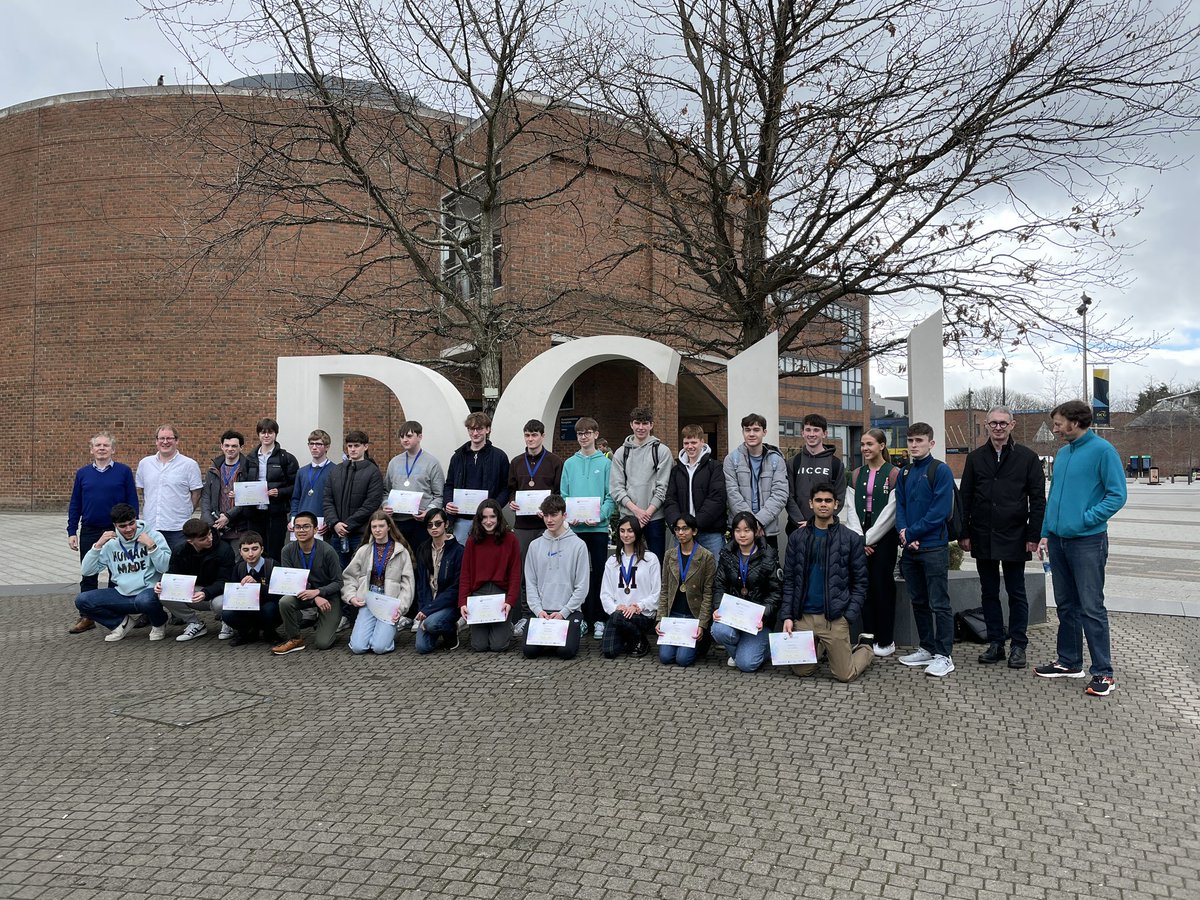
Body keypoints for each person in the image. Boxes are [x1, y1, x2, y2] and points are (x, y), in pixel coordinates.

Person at [1034, 400, 1127, 697]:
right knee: (1066, 605)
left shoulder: (1103, 451)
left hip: (1088, 541)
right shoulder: (1062, 454)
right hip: (1059, 541)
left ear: (1076, 422)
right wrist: (1046, 533)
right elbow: (1054, 497)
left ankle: (1104, 672)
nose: (1055, 428)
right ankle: (1070, 662)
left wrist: (1086, 519)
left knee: (1091, 607)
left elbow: (1117, 495)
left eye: (1059, 423)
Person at [959, 406, 1046, 669]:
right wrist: (964, 532)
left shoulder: (1028, 458)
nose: (998, 427)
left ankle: (1018, 645)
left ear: (1012, 425)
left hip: (1015, 535)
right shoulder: (975, 458)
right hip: (983, 535)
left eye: (1003, 423)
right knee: (988, 592)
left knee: (1016, 591)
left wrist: (1034, 535)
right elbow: (965, 497)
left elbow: (1038, 500)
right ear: (986, 425)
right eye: (993, 423)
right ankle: (996, 642)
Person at [780, 484, 873, 683]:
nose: (824, 505)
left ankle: (865, 648)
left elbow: (861, 583)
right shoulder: (797, 538)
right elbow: (789, 581)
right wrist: (787, 616)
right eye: (819, 500)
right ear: (811, 504)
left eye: (828, 501)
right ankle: (821, 645)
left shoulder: (850, 539)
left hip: (834, 618)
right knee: (801, 671)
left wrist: (848, 616)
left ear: (836, 504)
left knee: (844, 675)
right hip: (803, 617)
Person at [894, 422, 957, 678]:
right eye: (910, 441)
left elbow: (939, 511)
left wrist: (912, 533)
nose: (913, 445)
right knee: (918, 601)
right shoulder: (905, 472)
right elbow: (900, 507)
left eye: (919, 441)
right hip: (910, 548)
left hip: (933, 548)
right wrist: (904, 533)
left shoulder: (940, 470)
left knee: (939, 603)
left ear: (931, 443)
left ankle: (944, 655)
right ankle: (927, 648)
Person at [66, 431, 138, 634]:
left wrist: (132, 527)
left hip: (117, 530)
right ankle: (87, 616)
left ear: (112, 449)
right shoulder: (83, 473)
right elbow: (75, 503)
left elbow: (132, 501)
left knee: (118, 573)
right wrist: (72, 530)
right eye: (98, 445)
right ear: (92, 450)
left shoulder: (123, 471)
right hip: (90, 530)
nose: (102, 448)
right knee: (88, 573)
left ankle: (117, 614)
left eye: (106, 445)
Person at [841, 428, 901, 657]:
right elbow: (851, 508)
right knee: (863, 589)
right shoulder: (855, 474)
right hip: (860, 539)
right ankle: (868, 638)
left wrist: (869, 539)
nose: (865, 448)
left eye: (870, 444)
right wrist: (859, 539)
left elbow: (891, 511)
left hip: (884, 538)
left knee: (882, 587)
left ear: (882, 445)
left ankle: (886, 640)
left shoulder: (894, 474)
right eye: (863, 445)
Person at [74, 502, 172, 642]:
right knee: (82, 600)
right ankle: (120, 624)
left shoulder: (153, 536)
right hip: (121, 593)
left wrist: (151, 546)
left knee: (145, 600)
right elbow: (87, 571)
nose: (128, 529)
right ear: (115, 525)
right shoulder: (111, 544)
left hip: (148, 591)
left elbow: (165, 568)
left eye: (131, 523)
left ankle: (159, 623)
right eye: (122, 526)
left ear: (136, 520)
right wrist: (97, 546)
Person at [507, 419, 564, 636]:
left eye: (534, 435)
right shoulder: (516, 462)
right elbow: (511, 489)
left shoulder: (554, 461)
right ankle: (524, 615)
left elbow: (558, 493)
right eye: (527, 435)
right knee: (523, 571)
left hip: (546, 526)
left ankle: (550, 613)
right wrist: (512, 501)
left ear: (542, 435)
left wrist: (549, 510)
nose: (531, 439)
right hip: (522, 525)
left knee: (548, 569)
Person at [559, 416, 615, 641]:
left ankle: (600, 618)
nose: (584, 437)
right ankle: (579, 618)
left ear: (596, 434)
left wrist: (600, 516)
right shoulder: (569, 464)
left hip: (598, 530)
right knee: (576, 577)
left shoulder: (606, 464)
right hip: (575, 531)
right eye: (580, 434)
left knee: (600, 574)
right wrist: (568, 517)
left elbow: (611, 497)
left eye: (588, 433)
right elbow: (563, 495)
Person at [711, 511, 782, 673]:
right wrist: (717, 607)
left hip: (758, 623)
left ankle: (763, 650)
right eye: (738, 530)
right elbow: (719, 585)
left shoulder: (768, 556)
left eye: (747, 530)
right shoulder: (727, 554)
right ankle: (743, 649)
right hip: (734, 617)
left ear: (756, 532)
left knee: (746, 665)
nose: (742, 535)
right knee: (718, 630)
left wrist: (762, 616)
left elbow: (776, 593)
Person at [521, 495, 589, 660]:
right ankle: (550, 637)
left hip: (568, 612)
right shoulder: (535, 545)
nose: (549, 520)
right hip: (542, 612)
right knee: (529, 652)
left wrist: (564, 612)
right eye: (546, 515)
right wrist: (538, 611)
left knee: (565, 653)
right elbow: (530, 582)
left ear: (564, 515)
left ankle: (578, 626)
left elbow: (582, 586)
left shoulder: (579, 545)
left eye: (554, 515)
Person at [272, 511, 345, 654]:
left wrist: (319, 592)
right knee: (284, 602)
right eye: (298, 527)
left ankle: (328, 621)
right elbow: (291, 581)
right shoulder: (287, 550)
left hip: (328, 597)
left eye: (306, 526)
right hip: (303, 593)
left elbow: (338, 582)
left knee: (323, 644)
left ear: (316, 529)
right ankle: (295, 639)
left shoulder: (327, 550)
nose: (301, 530)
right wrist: (315, 596)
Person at [343, 510, 415, 655]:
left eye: (381, 526)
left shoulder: (401, 551)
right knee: (357, 648)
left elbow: (408, 584)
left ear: (389, 527)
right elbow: (349, 576)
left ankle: (386, 633)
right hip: (368, 598)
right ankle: (377, 632)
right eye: (374, 526)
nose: (377, 530)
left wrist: (400, 608)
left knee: (379, 648)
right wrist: (351, 597)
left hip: (390, 601)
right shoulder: (364, 550)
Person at [154, 518, 237, 643]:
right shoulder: (180, 550)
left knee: (219, 603)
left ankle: (228, 621)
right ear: (190, 541)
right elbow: (172, 573)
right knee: (163, 593)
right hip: (194, 591)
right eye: (203, 539)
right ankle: (195, 623)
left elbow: (225, 580)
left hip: (219, 592)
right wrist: (162, 583)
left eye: (209, 534)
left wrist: (206, 592)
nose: (210, 539)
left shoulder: (224, 549)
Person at [609, 406, 673, 562]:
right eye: (637, 423)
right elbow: (616, 488)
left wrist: (647, 513)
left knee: (656, 563)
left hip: (655, 518)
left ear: (651, 425)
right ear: (631, 424)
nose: (641, 427)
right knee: (627, 562)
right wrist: (636, 511)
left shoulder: (662, 451)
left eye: (645, 423)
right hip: (628, 517)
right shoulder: (620, 453)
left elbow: (663, 487)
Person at [458, 499, 521, 652]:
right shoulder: (472, 540)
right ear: (479, 519)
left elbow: (515, 573)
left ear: (499, 517)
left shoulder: (510, 539)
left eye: (492, 517)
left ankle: (507, 628)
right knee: (479, 646)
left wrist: (510, 601)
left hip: (501, 595)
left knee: (498, 646)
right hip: (478, 595)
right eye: (484, 517)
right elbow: (465, 573)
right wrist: (463, 603)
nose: (488, 521)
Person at [655, 513, 716, 667]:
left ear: (694, 531)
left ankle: (701, 644)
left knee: (683, 660)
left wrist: (702, 624)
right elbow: (664, 589)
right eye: (677, 529)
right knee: (665, 658)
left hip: (692, 617)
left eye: (685, 529)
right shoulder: (670, 555)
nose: (681, 533)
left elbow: (708, 593)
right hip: (673, 617)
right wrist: (660, 618)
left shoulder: (706, 556)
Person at [723, 413, 790, 546]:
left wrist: (759, 521)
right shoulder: (731, 459)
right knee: (738, 567)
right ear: (743, 432)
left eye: (756, 430)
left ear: (764, 432)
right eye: (747, 430)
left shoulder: (776, 460)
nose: (751, 434)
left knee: (768, 566)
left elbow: (780, 494)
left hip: (766, 530)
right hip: (740, 529)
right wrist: (749, 524)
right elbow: (732, 493)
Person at [599, 516, 662, 659]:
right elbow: (605, 594)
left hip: (642, 614)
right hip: (618, 614)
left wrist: (638, 606)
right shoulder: (612, 561)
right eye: (622, 531)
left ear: (637, 533)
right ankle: (630, 637)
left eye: (630, 531)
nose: (626, 535)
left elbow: (657, 593)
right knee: (609, 651)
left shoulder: (650, 559)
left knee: (619, 619)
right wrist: (616, 608)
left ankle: (640, 638)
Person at [443, 412, 510, 545]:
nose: (475, 433)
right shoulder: (457, 457)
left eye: (479, 429)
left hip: (489, 520)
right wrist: (448, 502)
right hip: (461, 521)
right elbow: (449, 484)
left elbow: (506, 487)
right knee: (462, 558)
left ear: (488, 429)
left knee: (487, 557)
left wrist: (494, 508)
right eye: (471, 429)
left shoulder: (499, 456)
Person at [135, 423, 203, 553]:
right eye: (161, 438)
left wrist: (186, 511)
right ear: (156, 441)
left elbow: (196, 493)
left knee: (177, 567)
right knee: (153, 567)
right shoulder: (145, 464)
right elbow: (143, 490)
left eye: (169, 438)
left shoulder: (189, 465)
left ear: (176, 440)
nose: (165, 442)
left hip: (178, 528)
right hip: (151, 527)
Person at [323, 429, 385, 570]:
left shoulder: (373, 472)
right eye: (350, 446)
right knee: (337, 572)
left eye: (356, 446)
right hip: (337, 533)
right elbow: (327, 499)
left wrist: (348, 525)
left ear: (365, 447)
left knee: (360, 572)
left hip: (360, 533)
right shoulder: (336, 470)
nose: (352, 449)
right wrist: (335, 523)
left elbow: (372, 503)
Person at [663, 423, 726, 558]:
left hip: (710, 533)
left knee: (714, 575)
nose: (690, 446)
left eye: (694, 442)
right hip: (682, 533)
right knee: (682, 574)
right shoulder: (676, 470)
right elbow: (670, 499)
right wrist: (679, 525)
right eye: (686, 443)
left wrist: (694, 525)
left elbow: (717, 499)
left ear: (702, 442)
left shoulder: (715, 467)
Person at [383, 420, 445, 554]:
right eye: (402, 436)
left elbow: (439, 495)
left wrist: (428, 511)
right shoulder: (394, 462)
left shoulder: (432, 463)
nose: (405, 440)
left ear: (420, 437)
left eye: (409, 436)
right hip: (397, 522)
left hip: (421, 523)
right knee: (397, 561)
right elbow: (385, 491)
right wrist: (385, 505)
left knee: (421, 562)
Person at [243, 418, 298, 563]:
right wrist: (239, 493)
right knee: (254, 550)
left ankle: (272, 582)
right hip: (254, 513)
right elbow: (243, 482)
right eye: (263, 432)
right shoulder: (249, 458)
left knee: (275, 550)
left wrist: (280, 492)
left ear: (276, 434)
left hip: (276, 512)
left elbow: (295, 486)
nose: (266, 436)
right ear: (258, 435)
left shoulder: (286, 458)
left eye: (270, 432)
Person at [412, 508, 464, 654]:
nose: (434, 528)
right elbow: (421, 585)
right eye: (430, 525)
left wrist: (428, 611)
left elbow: (455, 589)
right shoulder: (423, 549)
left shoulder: (458, 551)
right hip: (429, 605)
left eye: (437, 523)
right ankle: (435, 625)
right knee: (422, 648)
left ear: (446, 524)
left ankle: (452, 631)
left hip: (450, 605)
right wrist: (423, 609)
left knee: (432, 624)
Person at [220, 531, 282, 646]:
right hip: (246, 607)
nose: (250, 554)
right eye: (246, 550)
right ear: (240, 552)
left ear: (262, 549)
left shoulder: (273, 565)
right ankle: (246, 633)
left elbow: (279, 594)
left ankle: (270, 632)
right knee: (227, 613)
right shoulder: (238, 568)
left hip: (267, 606)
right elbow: (233, 594)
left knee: (270, 609)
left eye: (254, 549)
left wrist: (257, 586)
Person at [786, 414, 847, 533]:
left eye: (816, 430)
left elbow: (839, 497)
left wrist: (817, 522)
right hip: (797, 527)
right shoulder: (793, 462)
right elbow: (788, 496)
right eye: (808, 430)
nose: (811, 434)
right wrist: (800, 521)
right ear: (802, 433)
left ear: (824, 433)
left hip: (825, 528)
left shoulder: (835, 464)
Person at [200, 430, 250, 553]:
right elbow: (206, 497)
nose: (230, 449)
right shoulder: (213, 469)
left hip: (238, 528)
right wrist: (211, 522)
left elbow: (249, 498)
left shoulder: (248, 469)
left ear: (241, 448)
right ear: (222, 446)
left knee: (237, 564)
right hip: (216, 527)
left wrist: (228, 516)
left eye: (234, 446)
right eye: (227, 445)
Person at [289, 429, 335, 538]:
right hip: (302, 522)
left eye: (318, 444)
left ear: (327, 447)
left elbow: (336, 500)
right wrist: (293, 518)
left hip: (322, 524)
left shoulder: (335, 470)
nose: (314, 447)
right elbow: (296, 498)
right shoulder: (302, 471)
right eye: (311, 444)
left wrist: (330, 521)